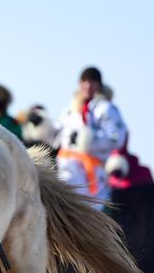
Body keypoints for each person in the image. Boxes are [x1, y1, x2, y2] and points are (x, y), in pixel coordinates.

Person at [55, 67, 128, 202]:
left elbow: (116, 138)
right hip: (65, 166)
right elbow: (56, 133)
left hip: (92, 171)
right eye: (85, 81)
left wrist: (88, 139)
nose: (88, 86)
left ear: (99, 85)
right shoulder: (70, 109)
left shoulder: (105, 108)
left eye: (92, 82)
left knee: (85, 205)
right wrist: (40, 126)